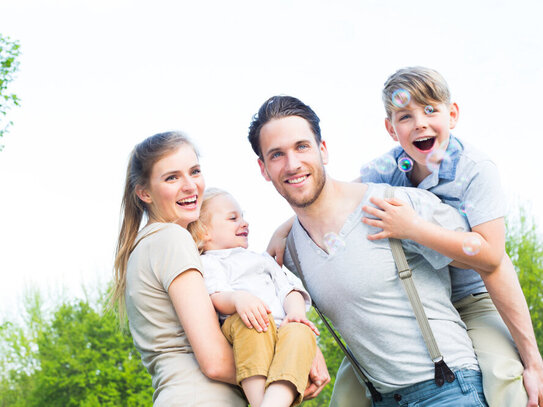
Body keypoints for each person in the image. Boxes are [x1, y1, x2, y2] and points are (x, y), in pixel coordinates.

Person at [248, 96, 488, 406]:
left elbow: (490, 262)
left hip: (449, 390)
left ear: (323, 150)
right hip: (381, 399)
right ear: (264, 169)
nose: (292, 163)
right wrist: (304, 347)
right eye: (277, 154)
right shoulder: (289, 251)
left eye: (302, 147)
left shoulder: (394, 205)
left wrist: (532, 361)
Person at [354, 66, 542, 407]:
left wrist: (533, 360)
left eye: (430, 110)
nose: (420, 123)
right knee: (352, 388)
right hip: (414, 302)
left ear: (452, 115)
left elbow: (489, 257)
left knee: (505, 379)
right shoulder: (384, 169)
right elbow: (338, 199)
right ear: (391, 129)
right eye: (405, 116)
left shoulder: (475, 169)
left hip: (473, 298)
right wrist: (284, 230)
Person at [111, 131, 329, 406]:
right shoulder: (173, 239)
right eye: (172, 177)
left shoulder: (147, 245)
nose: (190, 186)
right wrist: (295, 362)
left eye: (194, 171)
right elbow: (215, 361)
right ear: (144, 193)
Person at [188, 188, 318, 407]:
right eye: (233, 218)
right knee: (255, 323)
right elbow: (217, 296)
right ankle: (260, 401)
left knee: (301, 331)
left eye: (243, 216)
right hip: (244, 328)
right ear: (203, 233)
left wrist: (296, 314)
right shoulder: (209, 262)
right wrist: (238, 299)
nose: (244, 223)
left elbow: (289, 290)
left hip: (280, 330)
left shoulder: (262, 259)